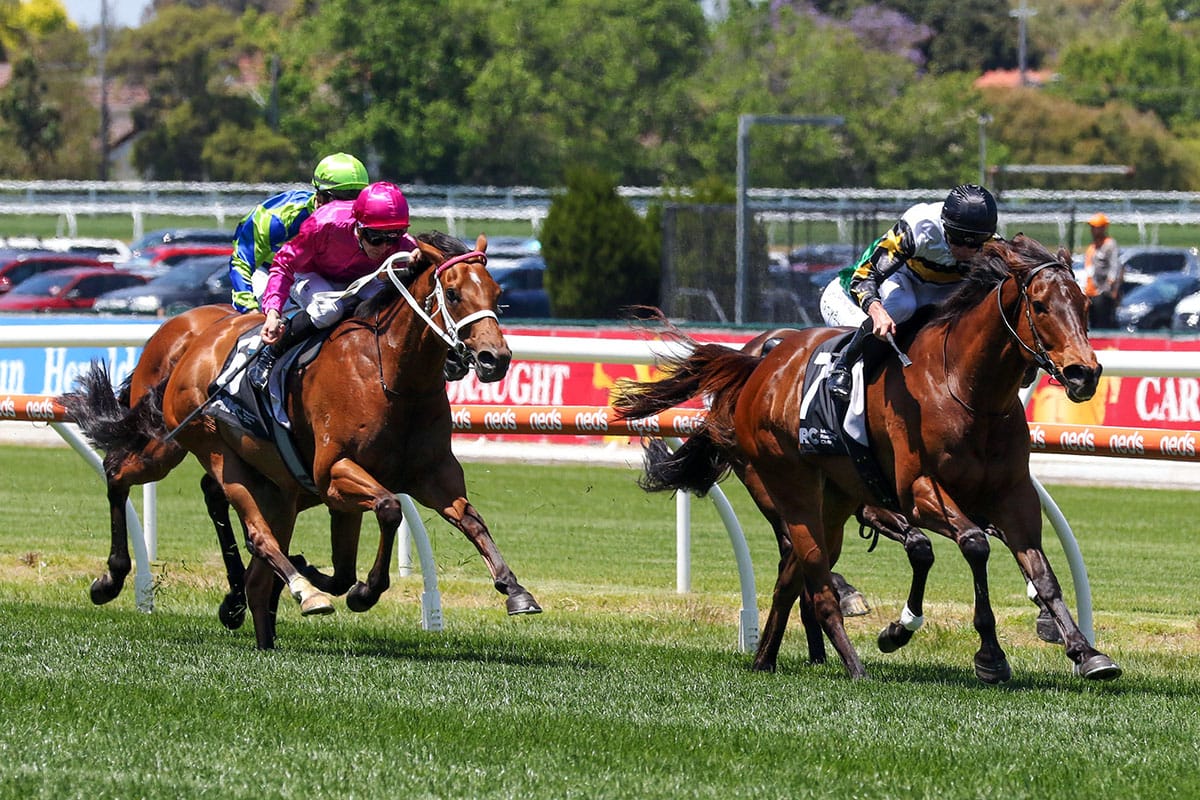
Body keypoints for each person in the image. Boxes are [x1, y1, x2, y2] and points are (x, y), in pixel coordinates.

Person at [820, 183, 999, 399]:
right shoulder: (919, 227)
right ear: (944, 226)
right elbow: (863, 276)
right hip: (897, 279)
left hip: (941, 290)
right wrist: (877, 312)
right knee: (902, 306)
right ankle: (843, 366)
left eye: (975, 245)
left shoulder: (993, 245)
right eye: (957, 239)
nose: (965, 251)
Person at [248, 181, 419, 391]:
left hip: (359, 277)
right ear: (358, 227)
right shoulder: (324, 223)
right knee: (329, 310)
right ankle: (272, 353)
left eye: (393, 238)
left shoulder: (401, 241)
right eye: (376, 238)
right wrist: (273, 313)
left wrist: (421, 258)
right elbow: (283, 265)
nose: (384, 247)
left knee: (387, 305)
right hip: (311, 274)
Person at [228, 152, 370, 313]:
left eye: (357, 199)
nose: (349, 208)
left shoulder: (365, 217)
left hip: (313, 276)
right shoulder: (278, 217)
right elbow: (242, 261)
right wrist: (248, 308)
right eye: (341, 199)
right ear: (319, 195)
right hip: (267, 272)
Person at [1084, 212, 1122, 330]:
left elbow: (1114, 267)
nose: (1093, 231)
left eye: (1096, 228)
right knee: (1092, 326)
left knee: (1104, 324)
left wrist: (1110, 286)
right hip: (1090, 293)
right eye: (1092, 228)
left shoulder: (1109, 245)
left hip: (1103, 293)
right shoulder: (1092, 247)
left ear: (1103, 228)